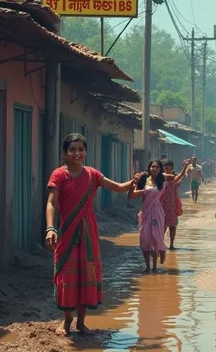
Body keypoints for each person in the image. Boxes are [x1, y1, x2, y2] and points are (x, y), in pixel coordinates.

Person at [45, 133, 135, 337]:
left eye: (81, 149)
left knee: (88, 272)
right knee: (66, 274)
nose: (77, 153)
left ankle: (82, 323)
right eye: (72, 150)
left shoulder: (93, 174)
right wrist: (50, 228)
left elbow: (119, 187)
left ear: (86, 151)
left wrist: (134, 181)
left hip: (88, 232)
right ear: (65, 153)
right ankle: (67, 320)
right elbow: (51, 202)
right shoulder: (59, 175)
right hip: (66, 231)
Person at [128, 159, 167, 273]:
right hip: (145, 213)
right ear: (149, 168)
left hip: (157, 213)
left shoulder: (162, 182)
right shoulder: (143, 181)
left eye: (157, 167)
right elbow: (131, 195)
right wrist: (134, 183)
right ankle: (147, 266)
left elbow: (175, 178)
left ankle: (154, 267)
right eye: (152, 167)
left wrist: (184, 169)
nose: (154, 169)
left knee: (155, 238)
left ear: (160, 169)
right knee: (144, 238)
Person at [162, 159, 190, 250]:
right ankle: (161, 242)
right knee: (163, 225)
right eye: (165, 166)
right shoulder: (161, 177)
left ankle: (171, 244)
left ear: (172, 167)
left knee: (172, 226)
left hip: (172, 205)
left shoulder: (173, 178)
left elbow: (180, 178)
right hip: (162, 205)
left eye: (168, 166)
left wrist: (185, 168)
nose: (166, 167)